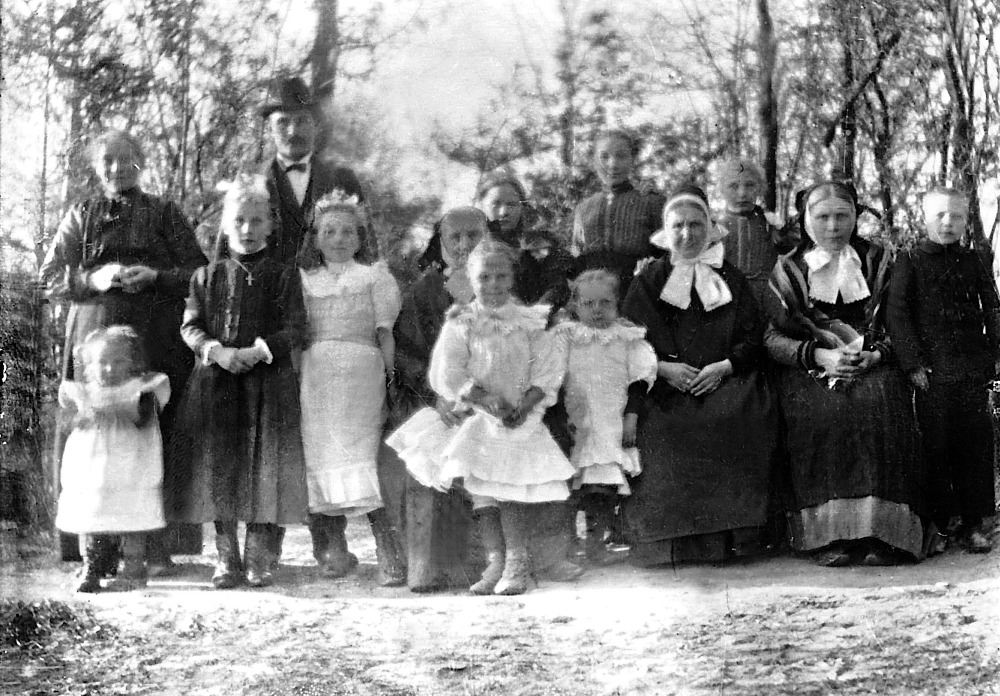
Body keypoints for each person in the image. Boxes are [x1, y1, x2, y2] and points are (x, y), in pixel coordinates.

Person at [40, 128, 206, 568]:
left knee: (152, 424)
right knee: (90, 430)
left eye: (125, 159)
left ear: (141, 162)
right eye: (107, 160)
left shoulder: (166, 213)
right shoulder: (81, 213)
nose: (116, 168)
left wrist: (156, 276)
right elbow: (50, 277)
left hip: (155, 334)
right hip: (93, 333)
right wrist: (92, 279)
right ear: (97, 167)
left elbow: (199, 272)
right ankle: (93, 544)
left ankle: (155, 543)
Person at [387, 239, 577, 595]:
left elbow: (548, 372)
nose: (492, 285)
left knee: (510, 491)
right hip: (478, 416)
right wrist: (485, 398)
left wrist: (525, 405)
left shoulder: (530, 321)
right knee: (484, 496)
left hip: (521, 417)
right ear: (470, 280)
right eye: (484, 277)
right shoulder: (462, 322)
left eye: (501, 276)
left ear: (513, 277)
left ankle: (518, 562)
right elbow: (447, 373)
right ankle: (496, 560)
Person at [767, 181, 925, 566]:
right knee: (821, 412)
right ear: (805, 221)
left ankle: (885, 535)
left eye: (842, 216)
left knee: (880, 402)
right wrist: (817, 355)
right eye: (822, 217)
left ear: (856, 218)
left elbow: (902, 323)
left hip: (872, 361)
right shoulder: (788, 268)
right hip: (811, 366)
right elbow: (772, 338)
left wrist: (875, 354)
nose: (833, 226)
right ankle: (825, 536)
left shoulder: (880, 261)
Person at [622, 185, 778, 566]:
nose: (688, 234)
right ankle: (667, 545)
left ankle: (735, 540)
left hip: (725, 379)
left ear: (710, 228)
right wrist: (661, 368)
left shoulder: (732, 279)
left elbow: (752, 337)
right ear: (665, 230)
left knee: (739, 416)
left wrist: (725, 367)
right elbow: (626, 339)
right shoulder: (649, 281)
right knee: (660, 428)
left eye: (696, 225)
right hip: (663, 384)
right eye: (678, 226)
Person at [177, 173, 309, 588]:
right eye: (239, 221)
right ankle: (226, 556)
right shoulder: (206, 276)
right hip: (216, 384)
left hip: (266, 384)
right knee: (220, 465)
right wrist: (218, 352)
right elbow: (191, 326)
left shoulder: (284, 275)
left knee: (261, 464)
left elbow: (297, 328)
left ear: (271, 224)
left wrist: (258, 350)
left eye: (256, 221)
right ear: (226, 225)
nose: (248, 230)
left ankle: (258, 556)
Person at [297, 193, 406, 586]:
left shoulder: (375, 276)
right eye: (329, 231)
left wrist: (391, 379)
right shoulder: (306, 281)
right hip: (317, 378)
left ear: (360, 238)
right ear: (316, 238)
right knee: (320, 455)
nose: (338, 238)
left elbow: (385, 333)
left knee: (366, 456)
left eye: (347, 231)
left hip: (363, 374)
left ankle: (389, 553)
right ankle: (333, 550)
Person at [887, 187, 999, 555]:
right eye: (940, 216)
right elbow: (898, 315)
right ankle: (940, 521)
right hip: (932, 372)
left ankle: (974, 522)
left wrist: (994, 357)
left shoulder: (976, 258)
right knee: (934, 445)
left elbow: (992, 310)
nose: (948, 223)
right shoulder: (910, 259)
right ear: (924, 218)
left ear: (967, 220)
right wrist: (913, 363)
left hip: (970, 369)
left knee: (975, 445)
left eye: (957, 216)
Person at [393, 207, 487, 592]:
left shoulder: (500, 284)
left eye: (474, 237)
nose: (464, 246)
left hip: (490, 401)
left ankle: (483, 563)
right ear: (442, 242)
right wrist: (437, 398)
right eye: (455, 238)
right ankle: (432, 568)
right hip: (437, 402)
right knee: (432, 452)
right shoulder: (424, 291)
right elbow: (406, 355)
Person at [553, 270, 657, 565]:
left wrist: (631, 418)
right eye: (588, 303)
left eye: (605, 302)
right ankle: (571, 545)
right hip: (579, 421)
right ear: (575, 305)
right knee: (575, 485)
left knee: (603, 485)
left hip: (612, 419)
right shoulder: (566, 337)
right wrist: (562, 418)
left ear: (617, 303)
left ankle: (597, 544)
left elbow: (638, 382)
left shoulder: (626, 338)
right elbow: (554, 380)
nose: (597, 310)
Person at [56, 326, 171, 592]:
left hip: (130, 467)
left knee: (131, 516)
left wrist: (114, 406)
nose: (109, 369)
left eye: (118, 361)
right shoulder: (80, 392)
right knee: (94, 516)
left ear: (134, 363)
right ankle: (93, 568)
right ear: (88, 364)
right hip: (92, 469)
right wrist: (80, 417)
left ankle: (134, 568)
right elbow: (65, 422)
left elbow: (143, 417)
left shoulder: (143, 387)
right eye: (101, 362)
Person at [260, 75, 365, 266]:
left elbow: (364, 250)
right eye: (283, 122)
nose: (293, 131)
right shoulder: (253, 183)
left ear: (315, 125)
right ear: (270, 129)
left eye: (301, 121)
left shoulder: (342, 180)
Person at [570, 129, 666, 296]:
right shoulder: (584, 208)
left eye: (621, 156)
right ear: (594, 161)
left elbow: (666, 255)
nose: (613, 164)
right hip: (593, 294)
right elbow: (576, 257)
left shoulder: (651, 201)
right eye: (604, 156)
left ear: (632, 160)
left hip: (637, 292)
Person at [716, 158, 798, 315]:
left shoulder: (770, 224)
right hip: (730, 304)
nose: (742, 193)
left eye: (750, 185)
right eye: (733, 186)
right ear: (722, 190)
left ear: (760, 187)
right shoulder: (714, 230)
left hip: (769, 304)